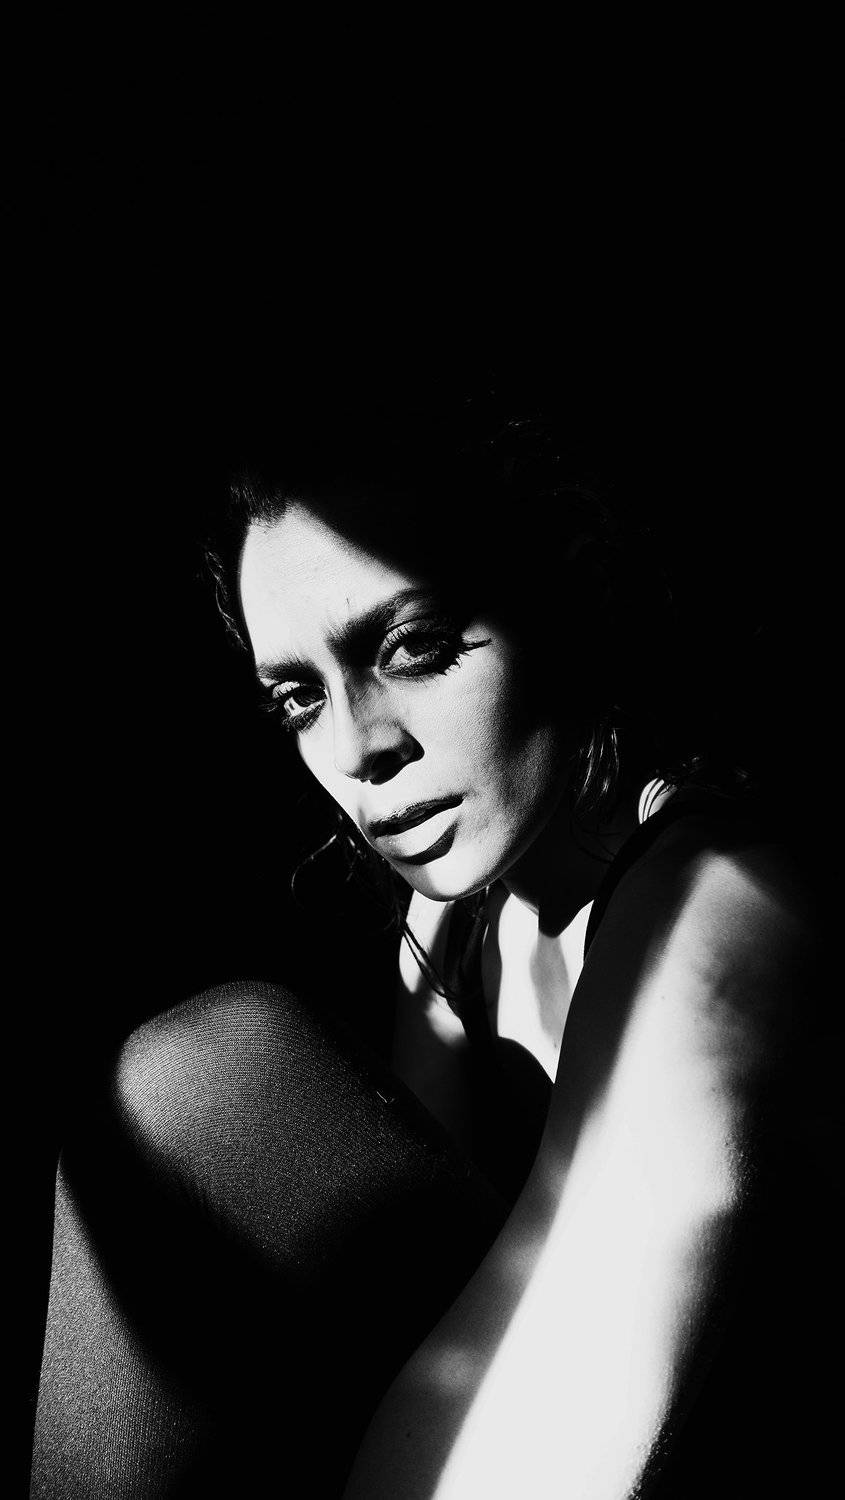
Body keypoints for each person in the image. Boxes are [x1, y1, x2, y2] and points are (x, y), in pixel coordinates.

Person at [31, 399, 829, 1497]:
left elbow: (578, 1398)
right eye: (299, 697)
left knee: (208, 1073)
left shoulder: (717, 903)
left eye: (413, 647)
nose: (358, 745)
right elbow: (434, 1317)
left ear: (566, 599)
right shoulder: (454, 924)